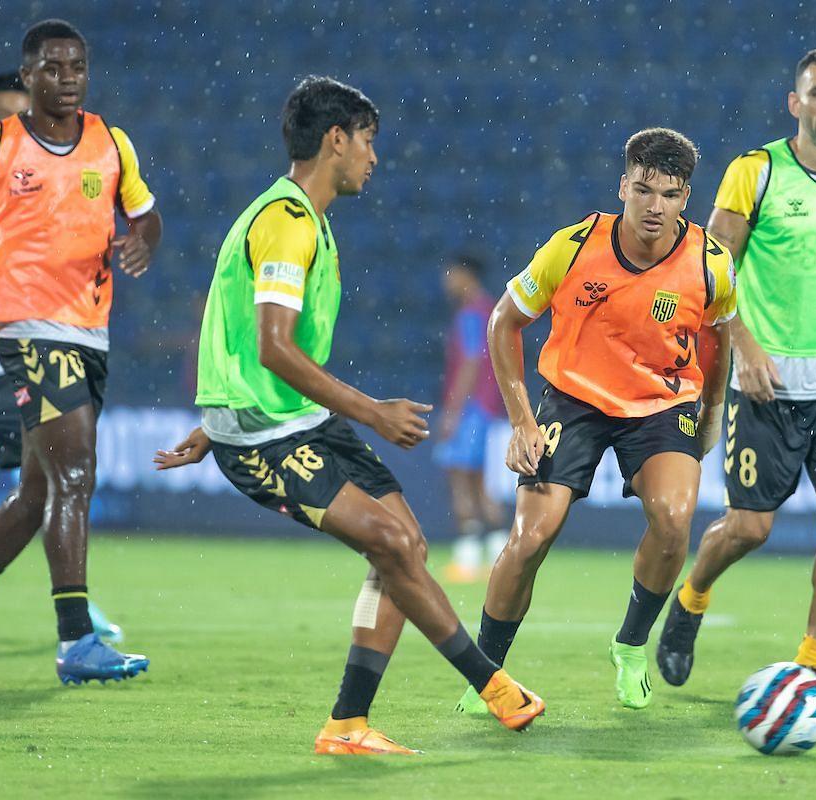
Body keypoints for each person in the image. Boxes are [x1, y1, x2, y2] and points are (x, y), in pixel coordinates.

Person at [154, 75, 545, 756]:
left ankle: (347, 725)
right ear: (334, 139)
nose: (373, 156)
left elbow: (243, 342)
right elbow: (275, 348)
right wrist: (370, 412)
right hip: (265, 435)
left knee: (406, 546)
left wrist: (210, 421)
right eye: (366, 140)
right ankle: (493, 687)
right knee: (393, 546)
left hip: (290, 420)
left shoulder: (308, 222)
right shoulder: (286, 223)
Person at [454, 127, 737, 713]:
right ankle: (487, 676)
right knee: (531, 538)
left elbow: (719, 337)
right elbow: (504, 322)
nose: (655, 206)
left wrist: (712, 409)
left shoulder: (711, 263)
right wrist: (521, 421)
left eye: (671, 194)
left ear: (687, 198)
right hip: (573, 399)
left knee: (675, 518)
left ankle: (631, 645)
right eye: (644, 190)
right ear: (623, 187)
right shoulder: (574, 247)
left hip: (661, 406)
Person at [655, 47, 816, 685]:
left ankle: (807, 669)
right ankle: (692, 596)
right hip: (768, 383)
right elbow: (707, 270)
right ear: (794, 103)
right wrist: (742, 345)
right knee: (749, 528)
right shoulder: (757, 172)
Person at [0, 19, 160, 684]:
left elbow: (145, 213)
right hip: (25, 326)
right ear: (28, 78)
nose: (68, 77)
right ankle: (76, 639)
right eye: (52, 67)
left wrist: (143, 241)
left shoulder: (113, 144)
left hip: (90, 329)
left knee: (37, 489)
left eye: (76, 66)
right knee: (76, 472)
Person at [435, 254, 508, 583]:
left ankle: (467, 556)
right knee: (481, 481)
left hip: (471, 409)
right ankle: (498, 553)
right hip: (487, 406)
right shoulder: (491, 309)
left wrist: (452, 411)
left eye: (451, 273)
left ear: (466, 275)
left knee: (462, 480)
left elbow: (470, 362)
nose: (446, 280)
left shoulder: (470, 314)